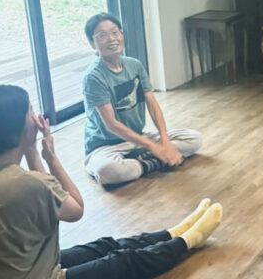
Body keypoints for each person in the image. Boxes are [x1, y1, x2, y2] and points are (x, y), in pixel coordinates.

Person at [0, 85, 222, 279]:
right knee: (121, 262)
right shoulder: (26, 184)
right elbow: (75, 208)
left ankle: (173, 232)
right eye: (30, 111)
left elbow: (43, 190)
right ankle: (188, 241)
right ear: (19, 129)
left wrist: (31, 149)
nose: (36, 117)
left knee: (103, 246)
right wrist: (51, 157)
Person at [83, 12, 203, 185]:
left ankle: (142, 161)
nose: (111, 39)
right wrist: (153, 147)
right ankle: (152, 161)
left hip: (138, 138)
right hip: (106, 146)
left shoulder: (134, 65)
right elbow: (111, 125)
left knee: (194, 139)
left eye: (115, 32)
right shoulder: (94, 77)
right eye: (102, 35)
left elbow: (152, 106)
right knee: (108, 171)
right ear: (92, 44)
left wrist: (165, 142)